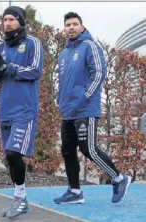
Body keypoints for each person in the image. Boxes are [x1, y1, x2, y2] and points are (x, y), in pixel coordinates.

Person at [54, 12, 131, 204]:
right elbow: (62, 83)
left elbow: (98, 74)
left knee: (88, 149)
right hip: (67, 111)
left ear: (82, 27)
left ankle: (119, 178)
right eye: (68, 25)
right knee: (67, 151)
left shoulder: (90, 46)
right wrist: (60, 101)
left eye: (74, 24)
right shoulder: (63, 54)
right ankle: (75, 192)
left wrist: (83, 98)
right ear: (64, 29)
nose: (71, 27)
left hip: (85, 109)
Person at [0, 6, 44, 219]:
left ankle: (20, 199)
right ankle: (21, 199)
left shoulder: (32, 43)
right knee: (10, 158)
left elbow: (35, 71)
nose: (7, 23)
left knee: (13, 153)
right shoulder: (0, 47)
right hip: (5, 110)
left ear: (20, 21)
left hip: (24, 110)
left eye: (11, 19)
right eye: (5, 19)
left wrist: (6, 68)